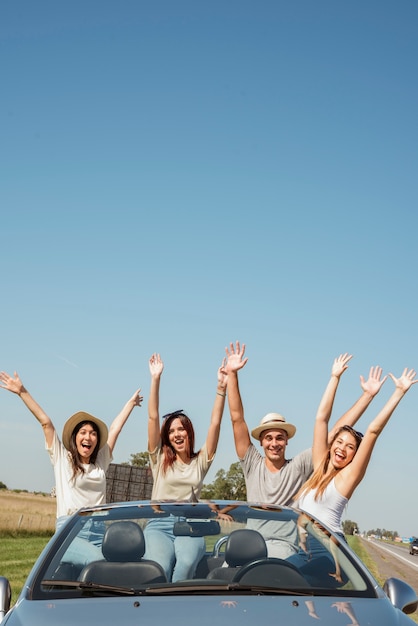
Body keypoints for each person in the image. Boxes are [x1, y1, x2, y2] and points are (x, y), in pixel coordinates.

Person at [224, 342, 386, 558]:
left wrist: (367, 396)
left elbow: (333, 434)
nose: (274, 443)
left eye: (280, 438)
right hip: (250, 543)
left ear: (287, 441)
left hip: (283, 548)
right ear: (261, 442)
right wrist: (232, 375)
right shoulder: (252, 463)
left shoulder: (300, 465)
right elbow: (237, 419)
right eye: (269, 438)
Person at [0, 369, 143, 532]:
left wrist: (130, 404)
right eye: (83, 432)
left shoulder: (101, 462)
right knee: (95, 557)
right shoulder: (62, 459)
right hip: (69, 528)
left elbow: (115, 429)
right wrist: (22, 392)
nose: (88, 437)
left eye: (93, 433)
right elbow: (46, 423)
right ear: (75, 438)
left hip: (98, 528)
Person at [296, 365, 418, 541]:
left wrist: (399, 392)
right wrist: (334, 377)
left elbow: (373, 431)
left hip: (328, 546)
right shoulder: (318, 468)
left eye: (350, 447)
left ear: (354, 455)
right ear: (331, 446)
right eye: (339, 442)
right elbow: (321, 419)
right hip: (305, 546)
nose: (342, 449)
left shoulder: (348, 477)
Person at [143, 352, 227, 582]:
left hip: (190, 526)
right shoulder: (159, 458)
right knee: (158, 568)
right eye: (171, 431)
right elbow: (152, 417)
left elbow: (215, 423)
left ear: (189, 432)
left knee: (185, 566)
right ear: (167, 437)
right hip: (159, 524)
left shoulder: (201, 461)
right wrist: (155, 379)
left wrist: (221, 388)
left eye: (181, 429)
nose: (176, 434)